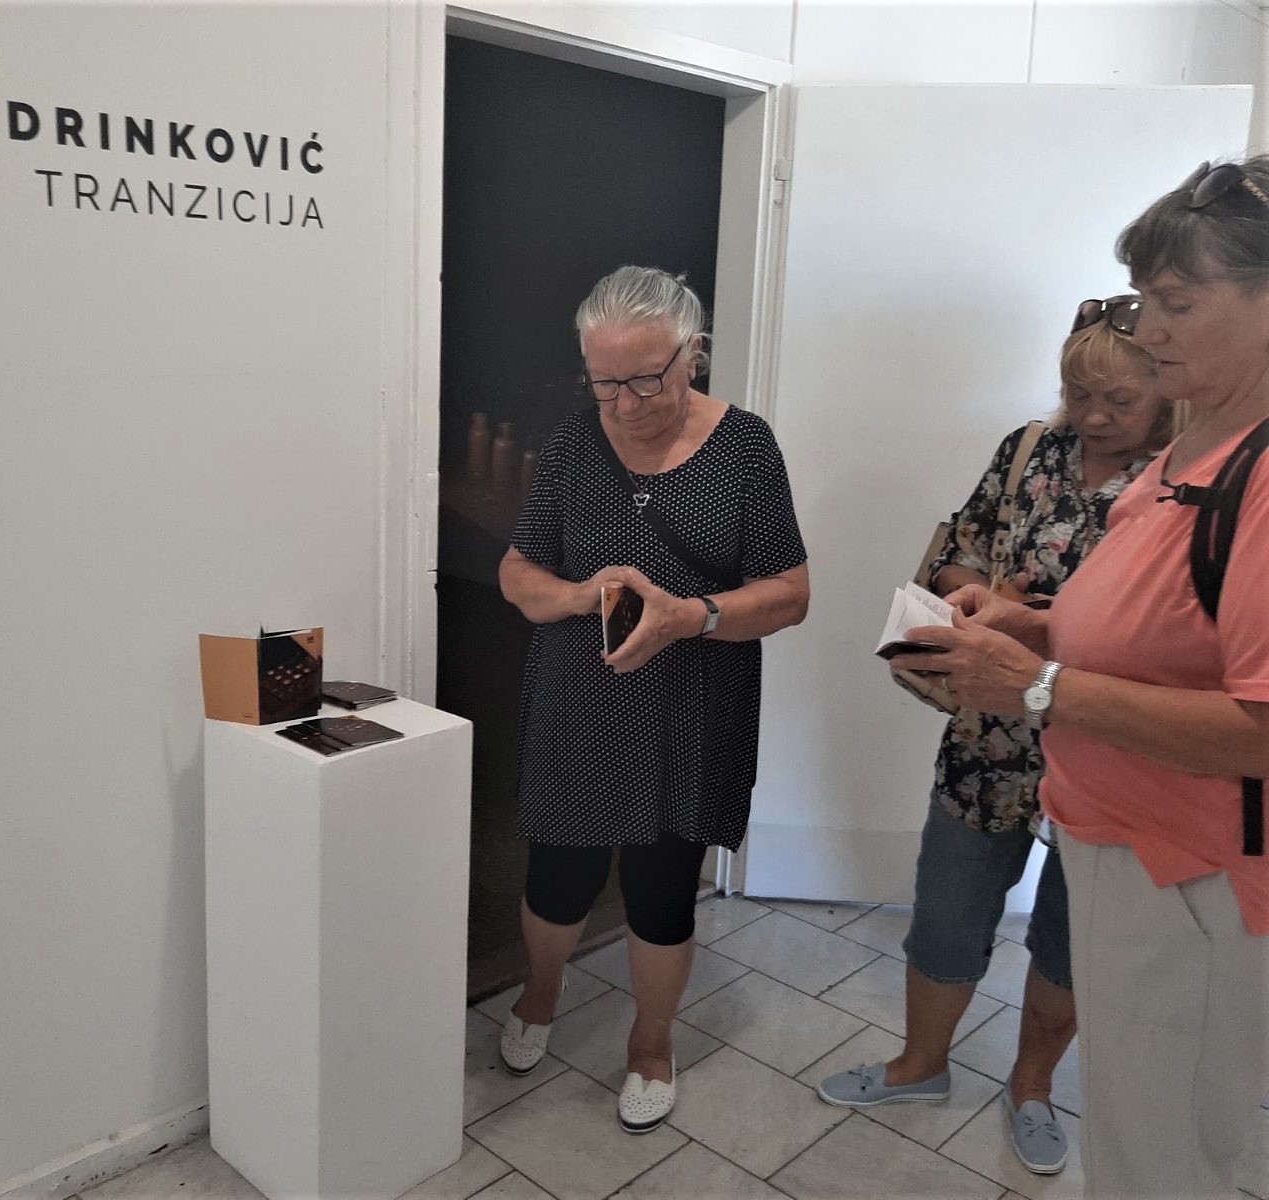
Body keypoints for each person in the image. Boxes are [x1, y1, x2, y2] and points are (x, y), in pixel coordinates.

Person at [893, 158, 1269, 1200]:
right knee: (1135, 1132)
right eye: (1144, 299)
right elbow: (1153, 627)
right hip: (1121, 837)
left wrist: (1041, 685)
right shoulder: (1201, 447)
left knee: (1165, 1154)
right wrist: (1036, 621)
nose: (1150, 329)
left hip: (1188, 868)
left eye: (1176, 301)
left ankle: (1030, 1089)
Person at [817, 296, 1175, 1177]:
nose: (1093, 416)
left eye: (1117, 401)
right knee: (947, 907)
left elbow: (1168, 628)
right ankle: (920, 1066)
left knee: (1070, 934)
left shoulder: (1183, 480)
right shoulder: (1029, 449)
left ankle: (1033, 1087)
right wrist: (975, 591)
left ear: (1166, 392)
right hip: (989, 740)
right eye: (1078, 393)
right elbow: (963, 546)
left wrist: (1045, 625)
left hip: (1107, 745)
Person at [496, 265, 809, 1133]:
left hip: (691, 708)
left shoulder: (745, 448)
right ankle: (543, 988)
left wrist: (691, 616)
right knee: (558, 877)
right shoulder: (573, 443)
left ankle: (651, 1039)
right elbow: (518, 569)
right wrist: (579, 594)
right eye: (604, 383)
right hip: (579, 700)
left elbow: (789, 593)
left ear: (692, 353)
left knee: (662, 889)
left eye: (645, 379)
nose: (624, 404)